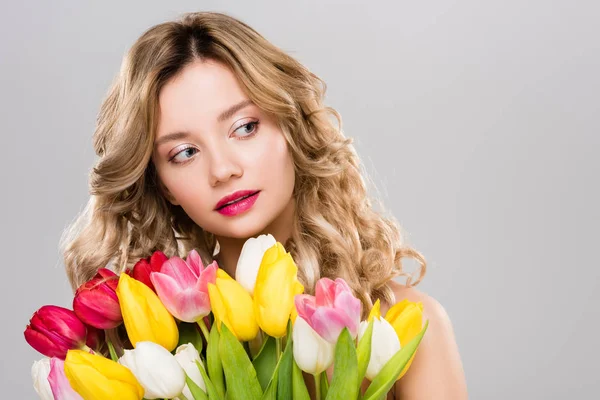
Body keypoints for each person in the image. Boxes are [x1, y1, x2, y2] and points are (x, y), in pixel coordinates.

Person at [59, 11, 467, 399]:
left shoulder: (405, 328)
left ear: (290, 125)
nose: (222, 170)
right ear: (163, 186)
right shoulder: (147, 352)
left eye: (245, 127)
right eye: (184, 152)